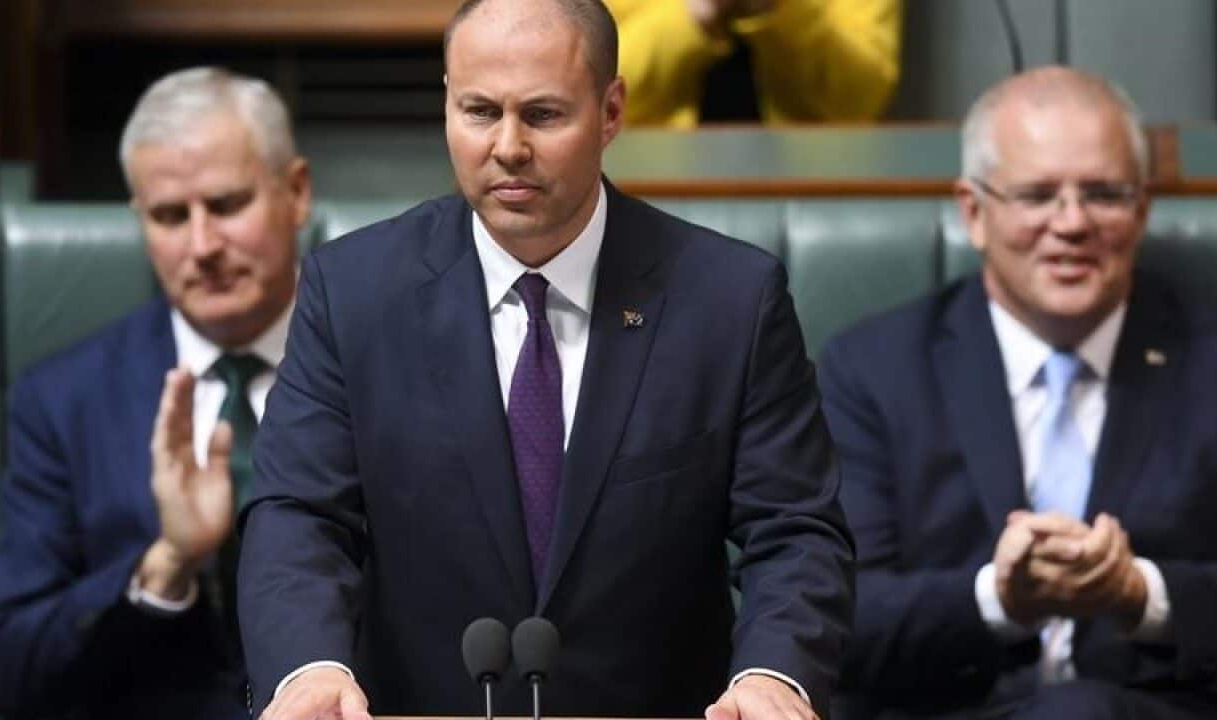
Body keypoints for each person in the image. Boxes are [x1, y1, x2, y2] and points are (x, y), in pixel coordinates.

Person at [238, 1, 853, 719]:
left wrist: (775, 677)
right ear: (446, 103)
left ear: (611, 110)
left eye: (543, 115)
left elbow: (794, 530)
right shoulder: (352, 291)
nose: (507, 147)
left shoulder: (730, 300)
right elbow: (298, 514)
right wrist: (309, 667)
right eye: (478, 112)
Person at [819, 66, 1217, 719]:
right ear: (973, 212)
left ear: (1142, 210)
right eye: (1036, 195)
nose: (1072, 222)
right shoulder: (873, 369)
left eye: (1104, 194)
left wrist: (1138, 593)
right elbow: (835, 613)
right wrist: (998, 599)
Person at [0, 67, 312, 719]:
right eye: (170, 216)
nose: (202, 246)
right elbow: (11, 670)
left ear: (296, 193)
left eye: (226, 205)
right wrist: (166, 565)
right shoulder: (64, 400)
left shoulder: (387, 357)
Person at [606, 0, 901, 126]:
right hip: (643, 194)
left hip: (813, 196)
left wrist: (778, 10)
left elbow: (858, 102)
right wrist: (694, 14)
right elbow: (585, 93)